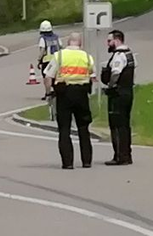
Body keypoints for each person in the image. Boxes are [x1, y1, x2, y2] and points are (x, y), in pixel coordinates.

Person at [44, 30, 95, 169]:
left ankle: (68, 163)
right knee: (84, 128)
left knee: (64, 129)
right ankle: (87, 161)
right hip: (82, 94)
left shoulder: (59, 55)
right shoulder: (86, 56)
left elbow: (48, 76)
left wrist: (49, 93)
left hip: (64, 94)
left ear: (68, 42)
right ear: (80, 43)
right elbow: (92, 74)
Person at [101, 29, 136, 166]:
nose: (108, 43)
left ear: (116, 40)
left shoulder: (119, 56)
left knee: (116, 125)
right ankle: (126, 154)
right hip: (128, 92)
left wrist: (110, 85)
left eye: (109, 41)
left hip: (118, 94)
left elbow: (116, 72)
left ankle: (120, 156)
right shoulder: (129, 54)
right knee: (125, 125)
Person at [37, 19, 61, 95]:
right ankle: (57, 91)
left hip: (47, 61)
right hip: (57, 60)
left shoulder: (43, 38)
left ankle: (47, 93)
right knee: (56, 76)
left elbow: (42, 50)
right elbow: (61, 47)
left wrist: (39, 60)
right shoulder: (56, 37)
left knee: (47, 77)